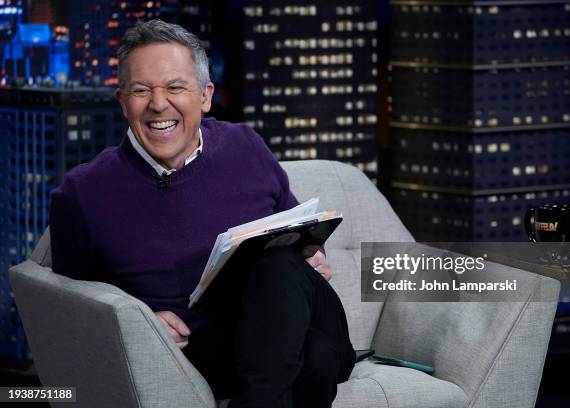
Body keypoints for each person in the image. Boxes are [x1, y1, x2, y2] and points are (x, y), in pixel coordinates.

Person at [49, 19, 355, 407]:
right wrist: (144, 323)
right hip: (212, 349)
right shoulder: (82, 194)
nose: (159, 104)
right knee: (316, 360)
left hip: (306, 318)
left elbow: (296, 226)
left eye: (176, 87)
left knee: (279, 267)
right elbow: (72, 309)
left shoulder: (245, 144)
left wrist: (316, 258)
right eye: (141, 90)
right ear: (122, 100)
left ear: (205, 96)